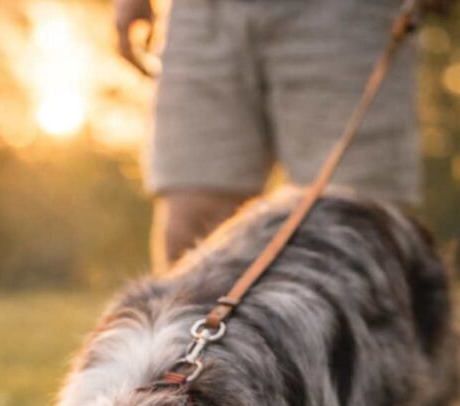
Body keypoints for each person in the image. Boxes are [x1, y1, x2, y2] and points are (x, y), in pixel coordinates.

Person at [114, 0, 457, 272]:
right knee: (193, 226)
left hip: (346, 15)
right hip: (201, 12)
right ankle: (200, 360)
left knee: (359, 229)